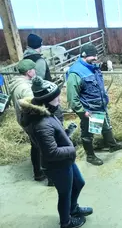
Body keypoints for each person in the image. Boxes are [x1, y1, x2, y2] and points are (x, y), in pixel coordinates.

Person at [18, 76, 93, 228]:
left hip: (65, 160)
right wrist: (71, 149)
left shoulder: (45, 113)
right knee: (65, 193)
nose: (59, 100)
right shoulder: (41, 124)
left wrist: (67, 132)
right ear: (46, 101)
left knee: (79, 183)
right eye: (56, 98)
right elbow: (50, 152)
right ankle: (66, 222)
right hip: (56, 165)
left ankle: (73, 209)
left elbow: (53, 139)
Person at [66, 43, 122, 166]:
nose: (95, 58)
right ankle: (90, 156)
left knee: (105, 125)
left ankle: (112, 145)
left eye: (96, 56)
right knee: (88, 133)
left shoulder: (92, 67)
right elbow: (72, 97)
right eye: (93, 56)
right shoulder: (76, 72)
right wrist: (82, 112)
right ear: (84, 56)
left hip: (99, 105)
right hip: (89, 109)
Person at [8, 59, 47, 182]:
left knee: (35, 144)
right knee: (40, 146)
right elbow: (33, 108)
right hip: (30, 120)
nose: (35, 71)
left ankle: (39, 171)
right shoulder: (25, 88)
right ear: (29, 72)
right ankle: (40, 172)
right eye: (33, 69)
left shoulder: (17, 83)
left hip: (23, 118)